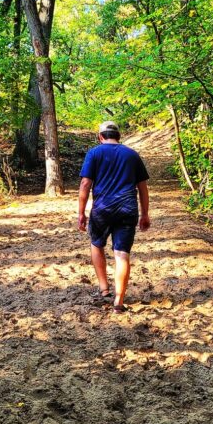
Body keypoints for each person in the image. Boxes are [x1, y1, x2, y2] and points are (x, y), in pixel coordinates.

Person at [77, 121, 151, 313]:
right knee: (122, 254)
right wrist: (145, 214)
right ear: (119, 136)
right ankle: (119, 301)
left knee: (96, 244)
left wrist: (81, 212)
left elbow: (85, 184)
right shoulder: (132, 154)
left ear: (101, 136)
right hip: (128, 209)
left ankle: (104, 289)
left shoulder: (94, 153)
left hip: (102, 210)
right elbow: (143, 188)